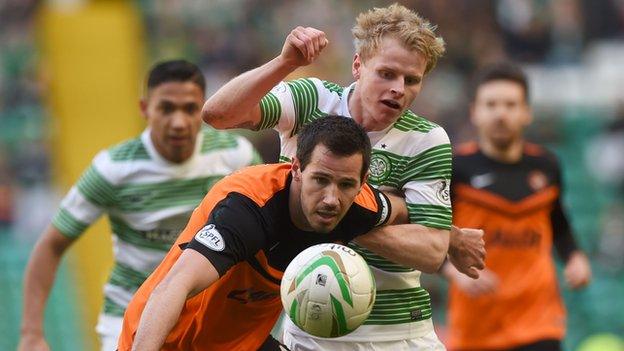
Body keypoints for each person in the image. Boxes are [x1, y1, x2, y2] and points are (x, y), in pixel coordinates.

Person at [202, 4, 485, 350]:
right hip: (311, 330)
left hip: (399, 333)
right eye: (387, 73)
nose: (399, 88)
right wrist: (285, 63)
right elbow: (218, 114)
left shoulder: (427, 140)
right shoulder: (311, 100)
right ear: (357, 66)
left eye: (412, 80)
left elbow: (430, 250)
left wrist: (323, 215)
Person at [118, 115, 434, 350]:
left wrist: (456, 237)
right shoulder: (249, 208)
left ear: (362, 181)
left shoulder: (357, 206)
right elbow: (175, 285)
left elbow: (400, 208)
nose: (331, 199)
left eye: (346, 185)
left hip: (242, 345)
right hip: (167, 340)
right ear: (296, 168)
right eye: (320, 180)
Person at [18, 60, 262, 351]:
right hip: (128, 313)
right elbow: (51, 245)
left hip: (204, 314)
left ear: (205, 109)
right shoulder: (114, 169)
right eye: (166, 108)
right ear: (145, 109)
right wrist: (31, 333)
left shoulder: (235, 156)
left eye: (190, 108)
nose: (179, 122)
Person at [442, 63, 592, 351]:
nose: (501, 113)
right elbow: (431, 235)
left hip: (538, 322)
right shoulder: (454, 168)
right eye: (491, 104)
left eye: (511, 104)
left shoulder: (547, 165)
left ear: (527, 112)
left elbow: (558, 224)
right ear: (475, 112)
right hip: (476, 326)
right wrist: (453, 271)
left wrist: (575, 257)